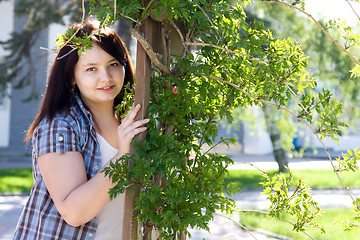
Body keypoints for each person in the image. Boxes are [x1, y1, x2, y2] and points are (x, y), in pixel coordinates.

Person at [14, 19, 149, 240]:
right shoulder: (59, 125)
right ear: (72, 77)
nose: (105, 77)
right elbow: (74, 213)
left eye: (113, 64)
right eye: (91, 69)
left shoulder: (132, 119)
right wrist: (123, 157)